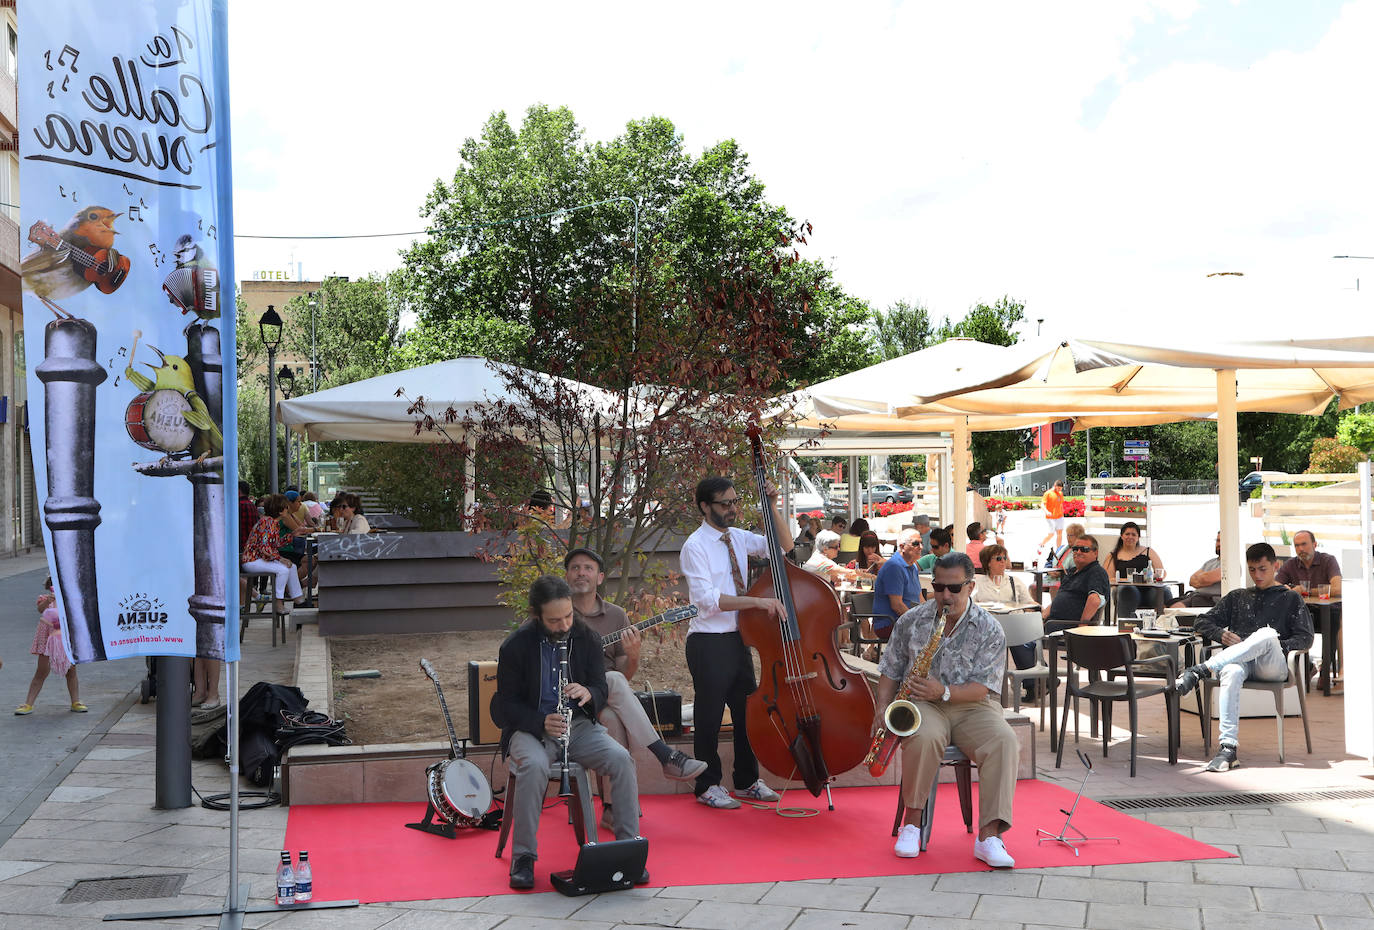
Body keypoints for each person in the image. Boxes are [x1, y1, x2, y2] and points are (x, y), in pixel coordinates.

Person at [491, 575, 645, 889]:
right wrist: (539, 722)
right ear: (535, 615)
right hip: (531, 730)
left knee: (621, 759)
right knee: (533, 767)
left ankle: (626, 851)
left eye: (568, 616)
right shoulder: (515, 646)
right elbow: (502, 707)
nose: (564, 625)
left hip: (578, 727)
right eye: (554, 620)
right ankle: (524, 857)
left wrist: (589, 693)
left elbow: (602, 685)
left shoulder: (586, 638)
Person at [876, 552, 1018, 868]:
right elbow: (890, 667)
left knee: (1004, 741)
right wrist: (882, 709)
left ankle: (990, 836)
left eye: (954, 589)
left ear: (970, 587)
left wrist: (945, 691)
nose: (945, 595)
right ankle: (911, 825)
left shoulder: (989, 627)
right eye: (939, 587)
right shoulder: (912, 621)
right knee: (923, 737)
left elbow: (985, 687)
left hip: (973, 705)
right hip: (924, 704)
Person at [564, 546, 705, 829]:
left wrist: (634, 654)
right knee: (612, 680)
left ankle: (613, 810)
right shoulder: (556, 611)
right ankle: (665, 756)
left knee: (614, 708)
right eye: (576, 567)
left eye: (588, 568)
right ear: (566, 575)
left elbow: (624, 677)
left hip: (600, 696)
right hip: (564, 696)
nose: (582, 573)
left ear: (600, 577)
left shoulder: (616, 616)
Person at [679, 476, 787, 809]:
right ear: (705, 506)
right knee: (709, 716)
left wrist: (771, 505)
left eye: (736, 502)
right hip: (708, 641)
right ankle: (707, 785)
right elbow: (707, 600)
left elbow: (783, 546)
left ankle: (746, 780)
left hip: (737, 638)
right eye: (725, 504)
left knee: (746, 713)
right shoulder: (695, 546)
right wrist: (757, 603)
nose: (733, 509)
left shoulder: (738, 538)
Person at [1175, 543, 1314, 772]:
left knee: (1267, 635)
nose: (1257, 575)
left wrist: (1268, 645)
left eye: (1262, 569)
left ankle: (1198, 670)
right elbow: (1201, 621)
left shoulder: (1290, 598)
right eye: (1252, 570)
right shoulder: (1238, 596)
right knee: (1231, 670)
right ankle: (1228, 749)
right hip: (1242, 663)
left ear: (1275, 566)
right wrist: (1221, 634)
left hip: (1273, 665)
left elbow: (1305, 639)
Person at [15, 578, 83, 715]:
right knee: (41, 672)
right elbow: (40, 609)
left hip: (64, 641)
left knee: (71, 672)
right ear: (49, 586)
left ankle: (75, 701)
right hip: (47, 642)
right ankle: (28, 703)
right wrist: (49, 600)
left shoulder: (69, 599)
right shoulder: (45, 599)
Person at [241, 494, 305, 615]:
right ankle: (278, 603)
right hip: (252, 560)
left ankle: (298, 599)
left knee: (292, 567)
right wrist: (280, 559)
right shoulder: (267, 523)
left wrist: (292, 535)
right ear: (281, 511)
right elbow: (265, 548)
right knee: (283, 570)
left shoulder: (270, 522)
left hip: (258, 559)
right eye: (286, 507)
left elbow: (274, 544)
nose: (288, 509)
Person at [1043, 534, 1109, 632]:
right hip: (1053, 622)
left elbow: (1095, 599)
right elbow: (1059, 599)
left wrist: (1082, 626)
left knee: (1022, 634)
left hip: (1068, 626)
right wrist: (1042, 617)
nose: (1078, 552)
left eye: (1084, 549)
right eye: (1075, 549)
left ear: (1095, 553)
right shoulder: (1072, 572)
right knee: (1022, 624)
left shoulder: (1096, 571)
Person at [1104, 521, 1166, 616]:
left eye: (1134, 534)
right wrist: (1128, 580)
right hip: (1126, 590)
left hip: (1148, 591)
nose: (1130, 537)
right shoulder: (1113, 555)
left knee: (1164, 591)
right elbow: (1107, 578)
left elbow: (1162, 572)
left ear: (1138, 537)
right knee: (1128, 590)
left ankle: (1164, 623)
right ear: (1121, 536)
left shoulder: (1148, 551)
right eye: (1127, 534)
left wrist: (1151, 577)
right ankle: (1125, 625)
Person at [873, 529, 924, 641]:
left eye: (921, 543)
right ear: (901, 547)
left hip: (905, 620)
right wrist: (919, 622)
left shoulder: (913, 566)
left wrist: (929, 617)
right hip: (890, 622)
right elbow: (897, 606)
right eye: (916, 543)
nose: (921, 547)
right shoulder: (894, 567)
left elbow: (920, 599)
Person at [1277, 530, 1341, 597]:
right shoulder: (1290, 564)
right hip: (1301, 606)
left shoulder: (1328, 561)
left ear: (1315, 545)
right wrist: (1284, 589)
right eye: (1297, 545)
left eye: (1304, 544)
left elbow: (1338, 590)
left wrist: (1306, 591)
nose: (1301, 549)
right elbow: (1275, 584)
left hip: (1326, 607)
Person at [1171, 532, 1222, 608]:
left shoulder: (1231, 564)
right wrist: (1204, 580)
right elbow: (1191, 581)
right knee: (1168, 605)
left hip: (1210, 600)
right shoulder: (1209, 562)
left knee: (1181, 608)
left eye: (1222, 541)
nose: (1219, 544)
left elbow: (1206, 579)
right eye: (1218, 541)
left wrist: (1202, 579)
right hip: (1196, 595)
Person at [1038, 479, 1066, 551]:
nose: (1059, 490)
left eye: (1061, 489)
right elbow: (1042, 504)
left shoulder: (1060, 493)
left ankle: (1058, 549)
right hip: (1050, 517)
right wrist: (1046, 511)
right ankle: (1042, 543)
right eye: (1058, 488)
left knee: (1060, 533)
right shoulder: (1048, 493)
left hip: (1059, 517)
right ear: (1055, 486)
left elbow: (1061, 504)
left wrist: (1062, 513)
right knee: (1051, 534)